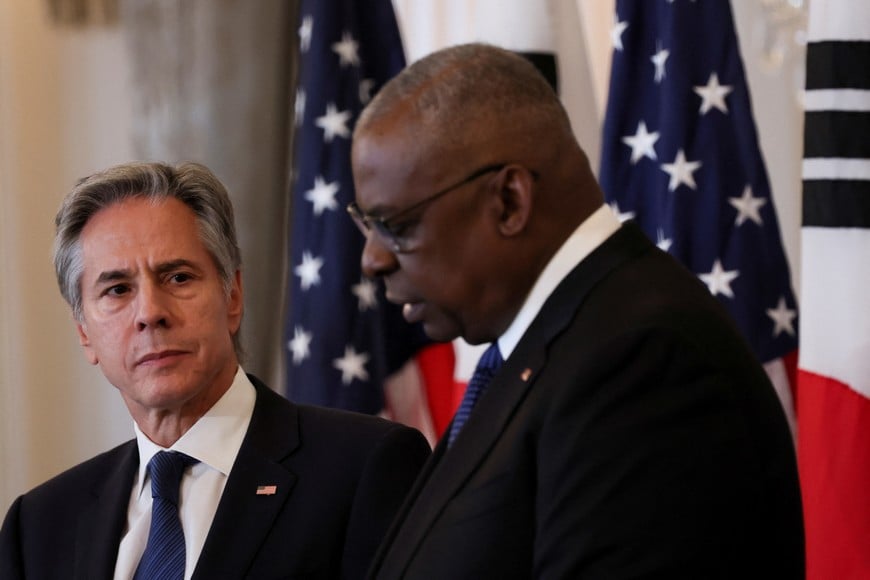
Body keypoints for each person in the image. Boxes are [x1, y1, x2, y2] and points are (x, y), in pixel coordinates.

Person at [349, 44, 804, 579]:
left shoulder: (646, 363)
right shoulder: (543, 349)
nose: (372, 260)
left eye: (396, 226)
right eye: (367, 224)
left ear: (509, 202)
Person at [0, 161, 431, 579]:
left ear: (233, 297)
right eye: (117, 289)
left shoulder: (364, 467)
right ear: (84, 333)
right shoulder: (38, 526)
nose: (151, 313)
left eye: (178, 278)